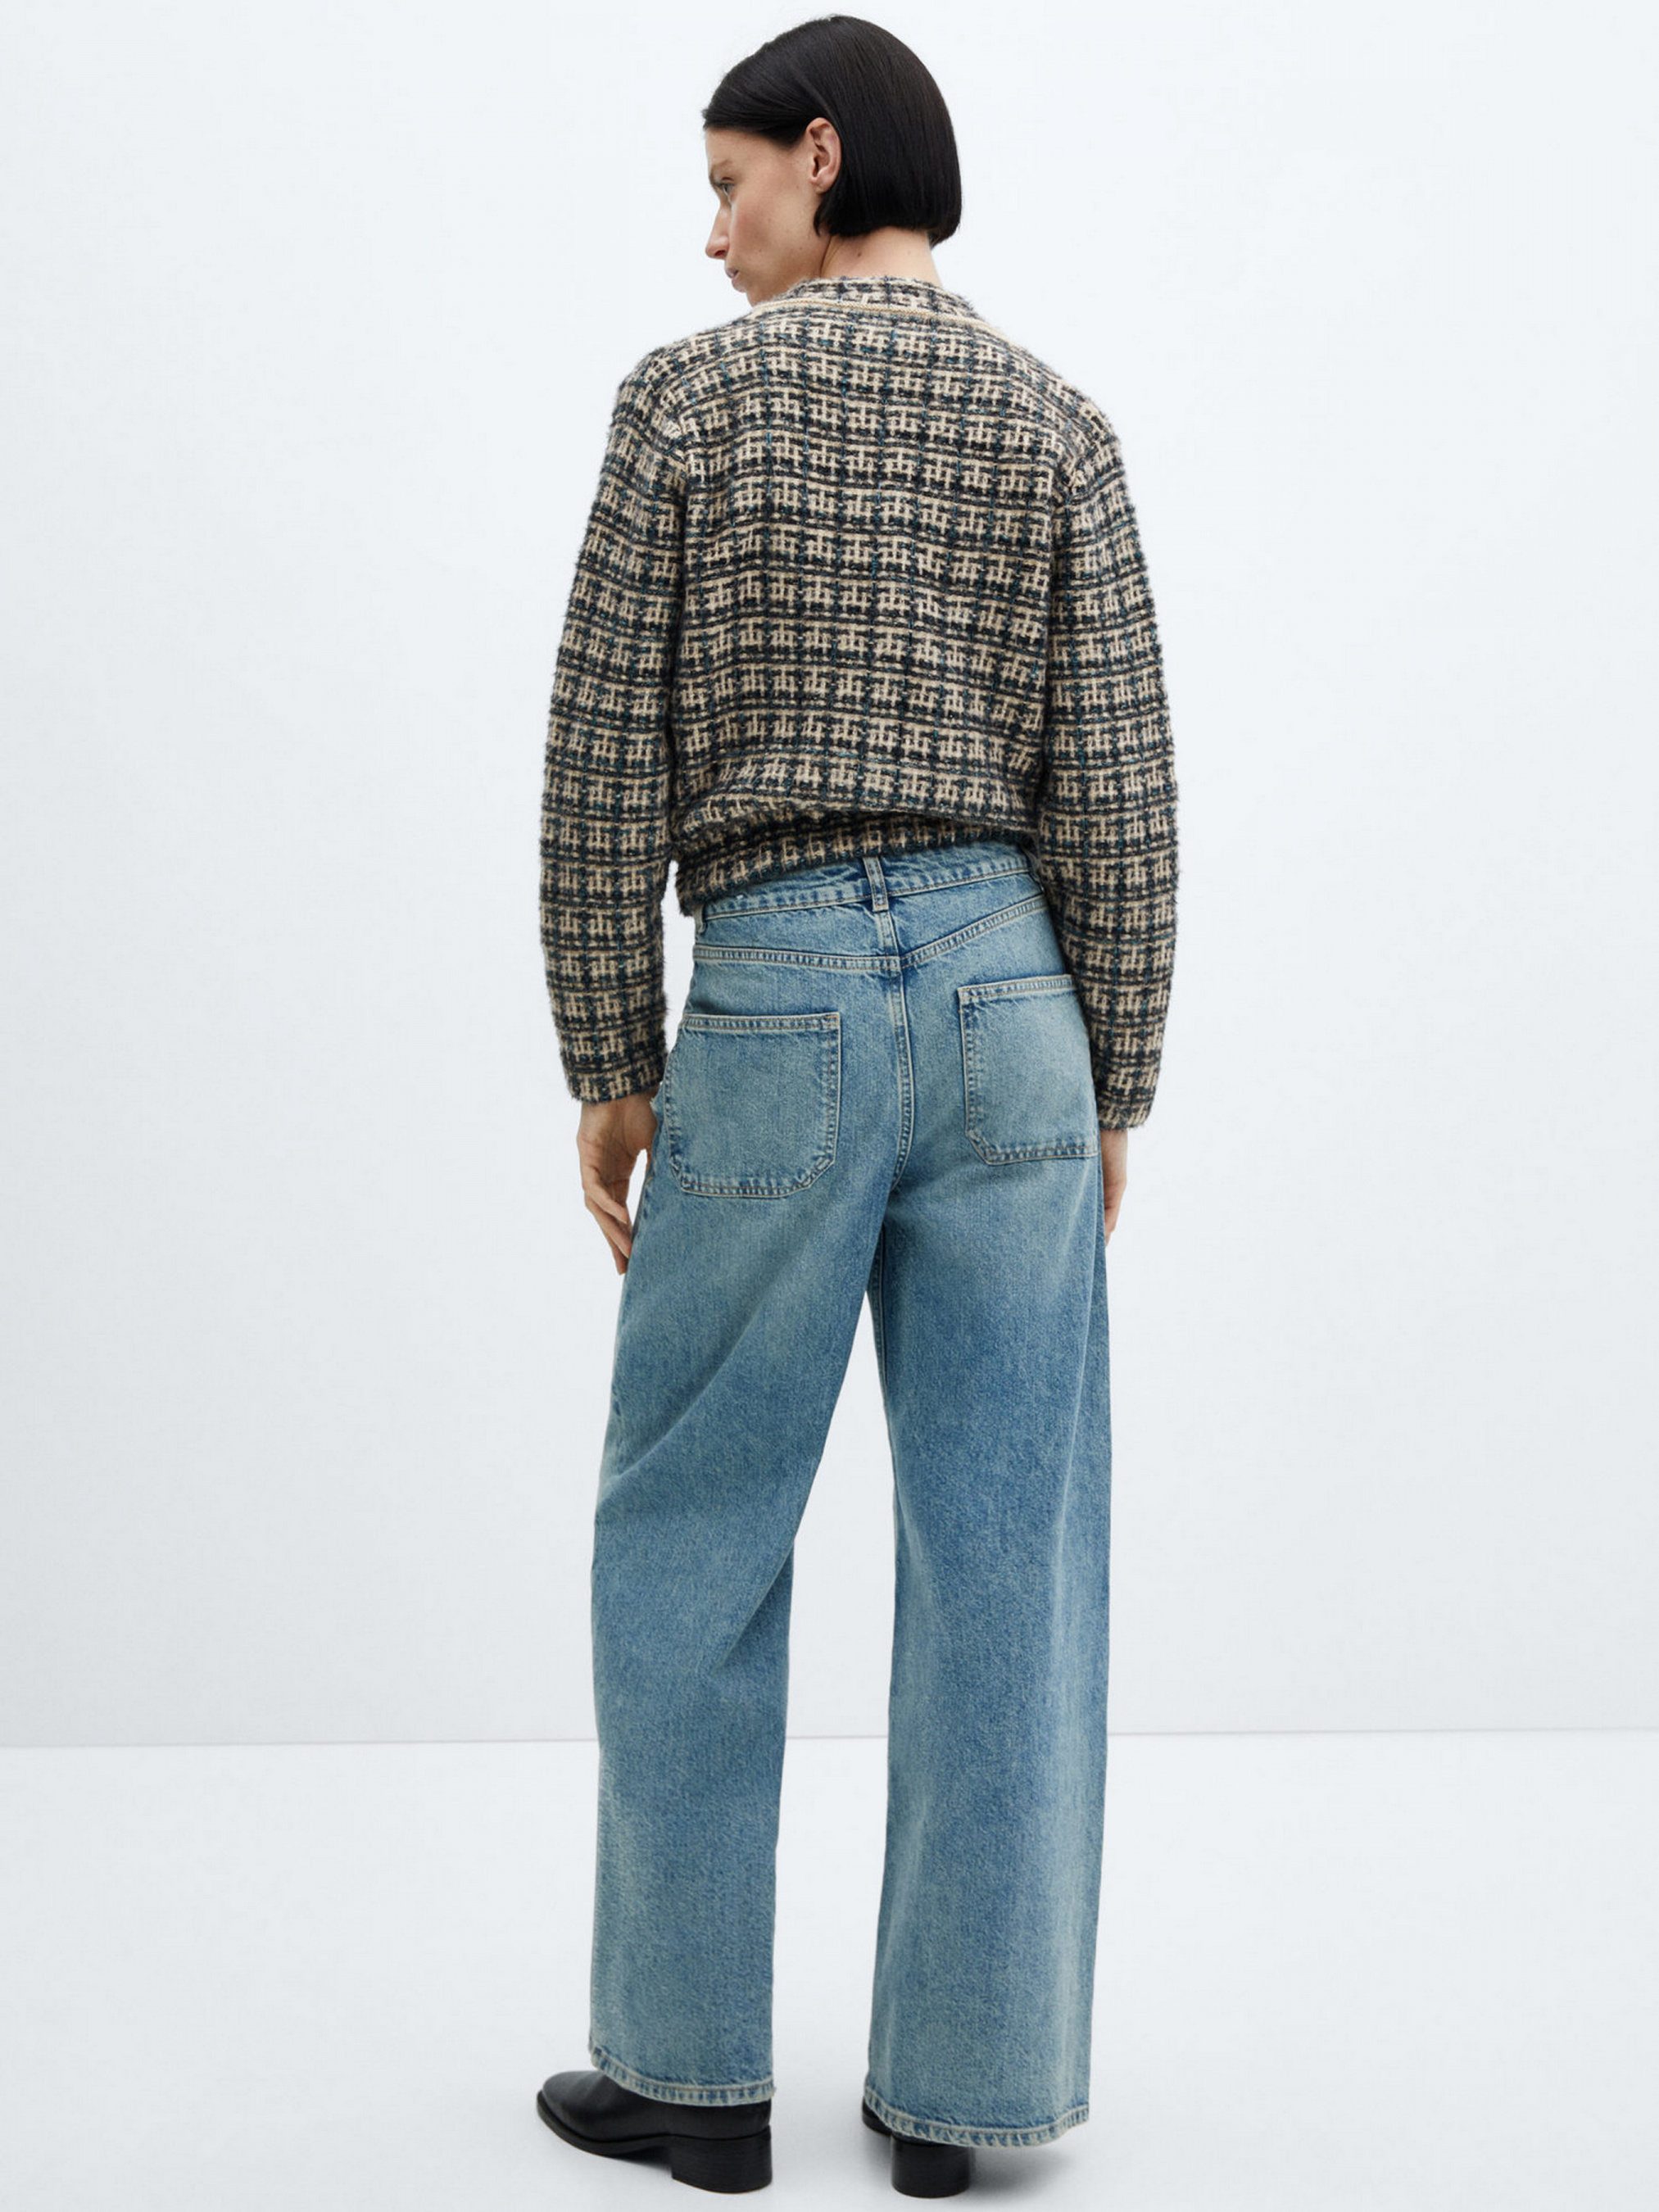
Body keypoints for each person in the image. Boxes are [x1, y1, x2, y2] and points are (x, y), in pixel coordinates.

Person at [533, 16, 1178, 2196]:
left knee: (691, 1531)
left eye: (729, 184)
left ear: (822, 157)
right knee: (1009, 1552)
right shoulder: (1059, 423)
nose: (711, 232)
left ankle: (689, 2072)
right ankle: (965, 2097)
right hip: (1013, 1001)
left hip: (781, 994)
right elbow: (1121, 779)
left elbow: (600, 757)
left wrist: (611, 1052)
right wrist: (1113, 1068)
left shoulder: (685, 405)